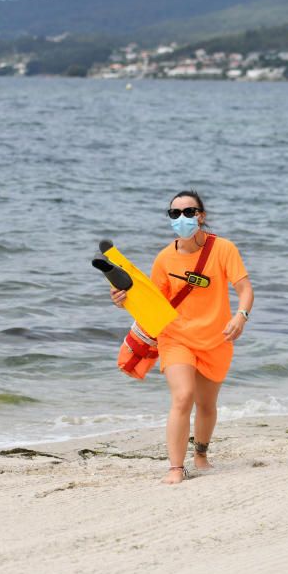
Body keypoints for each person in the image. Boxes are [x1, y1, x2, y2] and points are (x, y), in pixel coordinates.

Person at [111, 190, 253, 484]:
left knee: (206, 404)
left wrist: (241, 315)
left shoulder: (223, 249)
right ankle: (176, 467)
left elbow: (245, 290)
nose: (182, 218)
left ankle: (200, 454)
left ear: (201, 216)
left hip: (217, 338)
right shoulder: (164, 259)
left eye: (189, 212)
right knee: (183, 396)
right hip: (176, 338)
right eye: (175, 214)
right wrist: (125, 300)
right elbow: (155, 306)